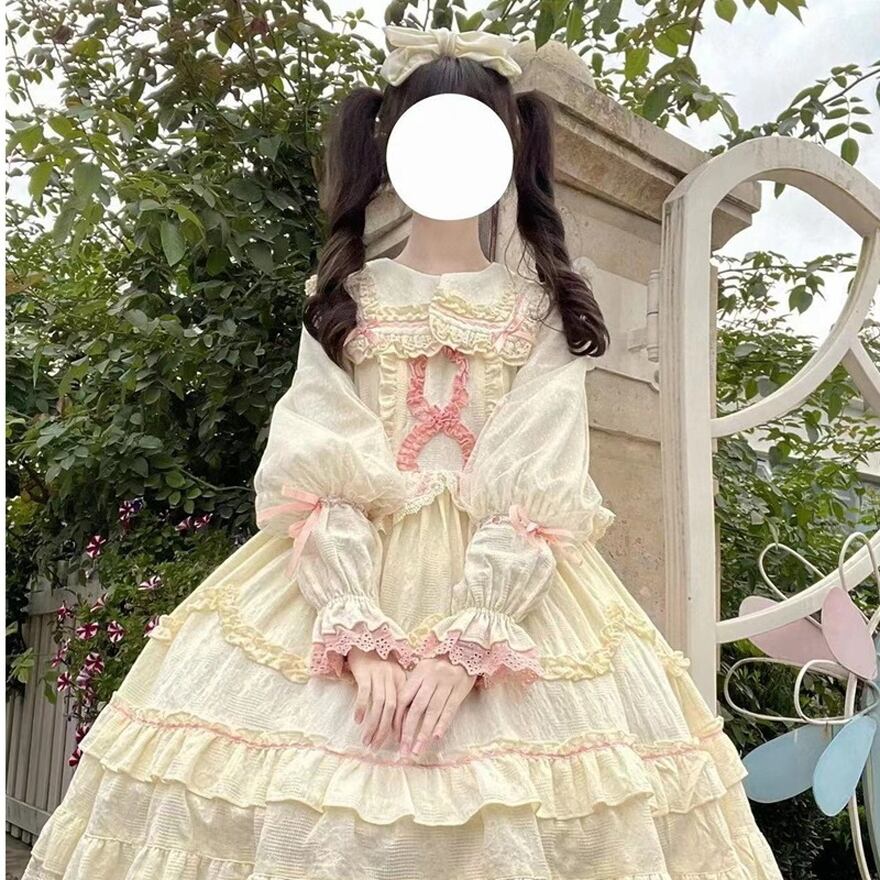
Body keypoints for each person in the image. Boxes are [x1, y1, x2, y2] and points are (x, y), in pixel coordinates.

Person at [23, 24, 783, 880]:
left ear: (509, 150)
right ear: (389, 147)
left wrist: (474, 641)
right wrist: (355, 627)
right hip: (340, 576)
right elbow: (321, 461)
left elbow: (537, 479)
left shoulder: (539, 311)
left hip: (516, 588)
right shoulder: (343, 300)